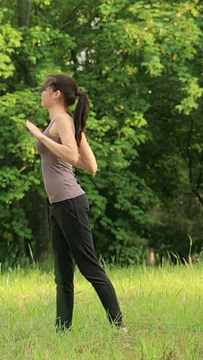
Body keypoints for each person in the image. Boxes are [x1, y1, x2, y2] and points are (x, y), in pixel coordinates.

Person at [25, 74, 127, 334]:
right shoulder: (64, 122)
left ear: (56, 93)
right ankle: (62, 331)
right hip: (59, 205)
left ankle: (120, 328)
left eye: (45, 89)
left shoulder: (62, 120)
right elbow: (90, 165)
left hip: (70, 202)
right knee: (62, 274)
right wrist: (51, 139)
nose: (42, 93)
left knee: (89, 266)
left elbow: (70, 154)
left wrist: (40, 136)